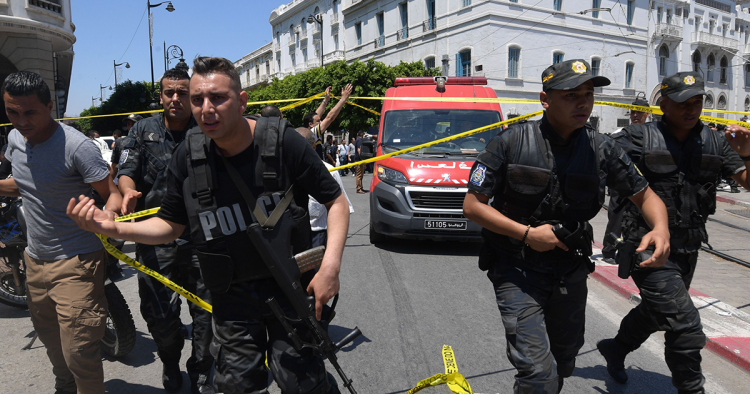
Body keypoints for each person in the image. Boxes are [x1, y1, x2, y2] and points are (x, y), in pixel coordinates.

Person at [67, 56, 350, 394]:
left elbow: (336, 202)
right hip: (232, 295)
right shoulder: (188, 156)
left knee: (301, 380)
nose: (205, 108)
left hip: (290, 286)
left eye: (218, 97)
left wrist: (330, 267)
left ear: (242, 100)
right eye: (198, 99)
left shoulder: (283, 142)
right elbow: (169, 226)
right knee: (236, 385)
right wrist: (111, 228)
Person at [462, 59, 670, 394]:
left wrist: (660, 228)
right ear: (545, 100)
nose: (583, 102)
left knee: (564, 363)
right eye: (571, 95)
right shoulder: (510, 141)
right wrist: (528, 234)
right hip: (517, 270)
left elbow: (646, 197)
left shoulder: (601, 147)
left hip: (569, 270)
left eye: (588, 94)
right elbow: (472, 205)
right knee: (538, 375)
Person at [598, 71, 750, 394]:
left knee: (657, 313)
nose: (691, 109)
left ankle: (616, 348)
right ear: (663, 104)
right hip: (647, 247)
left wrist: (748, 152)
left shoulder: (716, 142)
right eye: (683, 102)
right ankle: (691, 389)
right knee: (685, 325)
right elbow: (598, 156)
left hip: (687, 251)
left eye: (697, 102)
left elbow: (746, 181)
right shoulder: (640, 137)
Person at [1, 71, 122, 394]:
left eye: (30, 112)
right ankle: (65, 388)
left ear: (50, 106)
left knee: (79, 350)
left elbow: (112, 193)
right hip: (35, 260)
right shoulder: (14, 140)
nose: (21, 121)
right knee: (51, 340)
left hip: (77, 261)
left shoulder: (76, 146)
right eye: (12, 112)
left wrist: (106, 218)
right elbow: (25, 185)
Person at [116, 68, 215, 394]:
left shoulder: (207, 129)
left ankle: (202, 370)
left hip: (204, 238)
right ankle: (171, 362)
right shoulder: (143, 131)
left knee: (207, 315)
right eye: (169, 93)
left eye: (182, 93)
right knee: (160, 315)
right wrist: (127, 191)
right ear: (160, 96)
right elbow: (126, 171)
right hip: (156, 239)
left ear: (192, 95)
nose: (175, 99)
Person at [602, 96, 651, 262]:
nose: (636, 115)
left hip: (644, 186)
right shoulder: (620, 134)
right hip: (621, 185)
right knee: (616, 218)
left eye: (640, 112)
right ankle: (609, 251)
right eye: (633, 112)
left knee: (640, 220)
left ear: (648, 114)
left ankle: (633, 251)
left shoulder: (653, 135)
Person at [296, 127, 354, 248]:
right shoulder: (284, 171)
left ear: (312, 147)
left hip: (318, 234)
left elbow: (343, 208)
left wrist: (335, 244)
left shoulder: (329, 172)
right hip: (293, 234)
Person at [303, 84, 354, 159]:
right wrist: (344, 98)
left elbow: (316, 115)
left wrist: (326, 100)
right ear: (310, 124)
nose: (321, 122)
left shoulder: (308, 131)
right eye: (318, 121)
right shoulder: (311, 132)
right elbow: (330, 118)